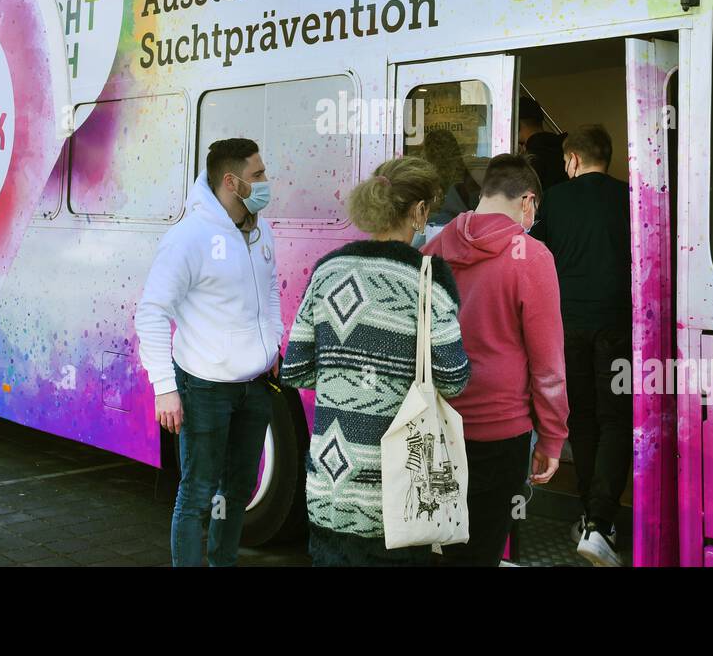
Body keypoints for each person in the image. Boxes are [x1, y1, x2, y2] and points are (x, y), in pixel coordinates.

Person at [280, 156, 470, 567]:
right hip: (399, 495)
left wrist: (346, 380)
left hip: (330, 486)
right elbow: (454, 379)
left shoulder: (328, 271)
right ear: (419, 212)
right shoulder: (429, 281)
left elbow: (293, 369)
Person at [135, 137, 283, 567]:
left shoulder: (259, 229)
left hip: (255, 387)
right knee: (197, 494)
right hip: (204, 388)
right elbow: (152, 312)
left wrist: (273, 342)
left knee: (235, 492)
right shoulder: (190, 237)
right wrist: (165, 388)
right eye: (258, 175)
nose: (266, 182)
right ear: (231, 182)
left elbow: (270, 288)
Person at [423, 154, 568, 566]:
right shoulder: (533, 257)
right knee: (482, 549)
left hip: (438, 425)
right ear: (528, 202)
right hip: (500, 431)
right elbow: (548, 365)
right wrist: (552, 437)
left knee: (441, 546)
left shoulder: (434, 248)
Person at [530, 124, 632, 567]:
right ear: (605, 158)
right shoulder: (631, 196)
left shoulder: (553, 198)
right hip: (618, 325)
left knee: (584, 420)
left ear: (571, 160)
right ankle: (600, 523)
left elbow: (537, 257)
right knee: (616, 419)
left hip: (566, 326)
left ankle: (592, 518)